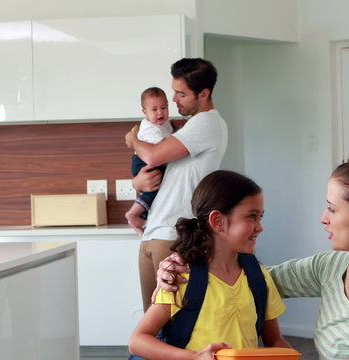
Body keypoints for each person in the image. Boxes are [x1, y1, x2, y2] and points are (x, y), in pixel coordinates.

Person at [155, 158, 349, 359]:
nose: (323, 218)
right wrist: (181, 267)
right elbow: (243, 281)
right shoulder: (332, 267)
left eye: (332, 209)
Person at [128, 170, 291, 360]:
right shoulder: (181, 277)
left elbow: (274, 340)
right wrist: (194, 357)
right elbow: (138, 341)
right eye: (251, 217)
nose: (260, 227)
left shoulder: (258, 276)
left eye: (260, 217)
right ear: (217, 221)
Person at [125, 58, 228, 311]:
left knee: (171, 324)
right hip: (154, 233)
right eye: (174, 91)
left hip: (173, 237)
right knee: (152, 326)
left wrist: (132, 140)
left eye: (181, 93)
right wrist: (136, 181)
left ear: (203, 94)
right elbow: (159, 174)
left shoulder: (208, 122)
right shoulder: (187, 127)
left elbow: (152, 156)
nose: (173, 99)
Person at [125, 87, 174, 236]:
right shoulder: (148, 128)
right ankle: (133, 214)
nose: (160, 112)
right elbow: (160, 151)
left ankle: (142, 223)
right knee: (154, 188)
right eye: (154, 109)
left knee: (157, 190)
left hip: (151, 160)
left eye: (164, 108)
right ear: (144, 112)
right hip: (143, 162)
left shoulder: (164, 123)